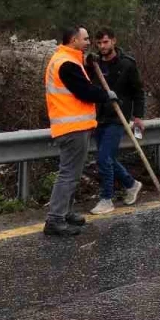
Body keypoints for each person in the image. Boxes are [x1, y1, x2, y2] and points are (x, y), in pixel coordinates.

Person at [43, 26, 117, 236]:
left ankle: (65, 212)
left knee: (72, 173)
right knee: (68, 174)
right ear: (74, 39)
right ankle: (55, 219)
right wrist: (106, 95)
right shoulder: (65, 63)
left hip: (76, 127)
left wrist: (89, 63)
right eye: (85, 39)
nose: (88, 42)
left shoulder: (69, 59)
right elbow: (84, 90)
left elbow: (81, 80)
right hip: (71, 127)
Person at [85, 28, 144, 215]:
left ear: (114, 41)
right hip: (99, 117)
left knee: (103, 158)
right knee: (107, 158)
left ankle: (106, 199)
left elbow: (138, 92)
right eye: (99, 43)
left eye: (106, 42)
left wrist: (138, 117)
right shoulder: (95, 64)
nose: (102, 46)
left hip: (118, 118)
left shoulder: (127, 64)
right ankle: (131, 184)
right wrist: (87, 62)